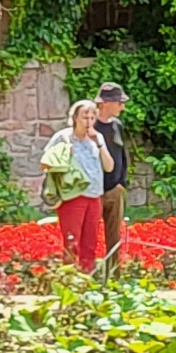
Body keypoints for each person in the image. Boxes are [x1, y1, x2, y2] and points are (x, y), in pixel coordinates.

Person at [41, 99, 108, 268]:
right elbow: (45, 164)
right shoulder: (63, 137)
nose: (89, 121)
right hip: (73, 195)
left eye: (93, 117)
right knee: (72, 241)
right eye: (85, 117)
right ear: (75, 118)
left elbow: (109, 166)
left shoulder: (97, 138)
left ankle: (87, 281)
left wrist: (99, 143)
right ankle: (70, 281)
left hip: (95, 195)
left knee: (90, 243)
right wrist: (64, 154)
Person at [88, 89, 132, 272]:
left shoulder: (117, 126)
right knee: (88, 235)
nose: (122, 106)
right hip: (93, 191)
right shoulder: (90, 126)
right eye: (119, 102)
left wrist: (121, 183)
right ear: (105, 103)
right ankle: (86, 274)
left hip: (114, 189)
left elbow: (123, 155)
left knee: (114, 237)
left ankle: (114, 275)